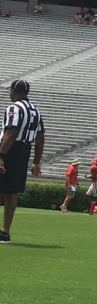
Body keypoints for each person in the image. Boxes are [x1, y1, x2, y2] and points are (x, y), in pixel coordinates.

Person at [0, 80, 45, 243]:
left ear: (13, 92)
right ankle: (5, 232)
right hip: (24, 151)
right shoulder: (36, 111)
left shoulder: (14, 108)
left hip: (9, 150)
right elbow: (40, 138)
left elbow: (11, 132)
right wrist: (36, 162)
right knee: (12, 192)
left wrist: (1, 155)